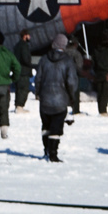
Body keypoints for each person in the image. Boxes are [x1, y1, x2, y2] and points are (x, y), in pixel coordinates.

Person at [35, 33, 81, 162]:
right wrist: (72, 97)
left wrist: (38, 93)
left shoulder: (44, 59)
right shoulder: (68, 61)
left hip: (45, 99)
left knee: (46, 126)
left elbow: (38, 78)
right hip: (61, 100)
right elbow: (72, 82)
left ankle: (46, 149)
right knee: (56, 127)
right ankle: (53, 154)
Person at [64, 32, 87, 114]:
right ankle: (75, 110)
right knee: (75, 94)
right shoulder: (77, 54)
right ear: (76, 44)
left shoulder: (63, 52)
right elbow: (79, 66)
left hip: (63, 75)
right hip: (74, 76)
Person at [13, 30, 35, 112]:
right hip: (24, 71)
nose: (30, 37)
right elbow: (26, 59)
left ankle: (17, 105)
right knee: (24, 89)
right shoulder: (24, 46)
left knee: (18, 89)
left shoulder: (17, 45)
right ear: (25, 36)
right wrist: (30, 65)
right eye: (28, 35)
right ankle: (20, 106)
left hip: (18, 71)